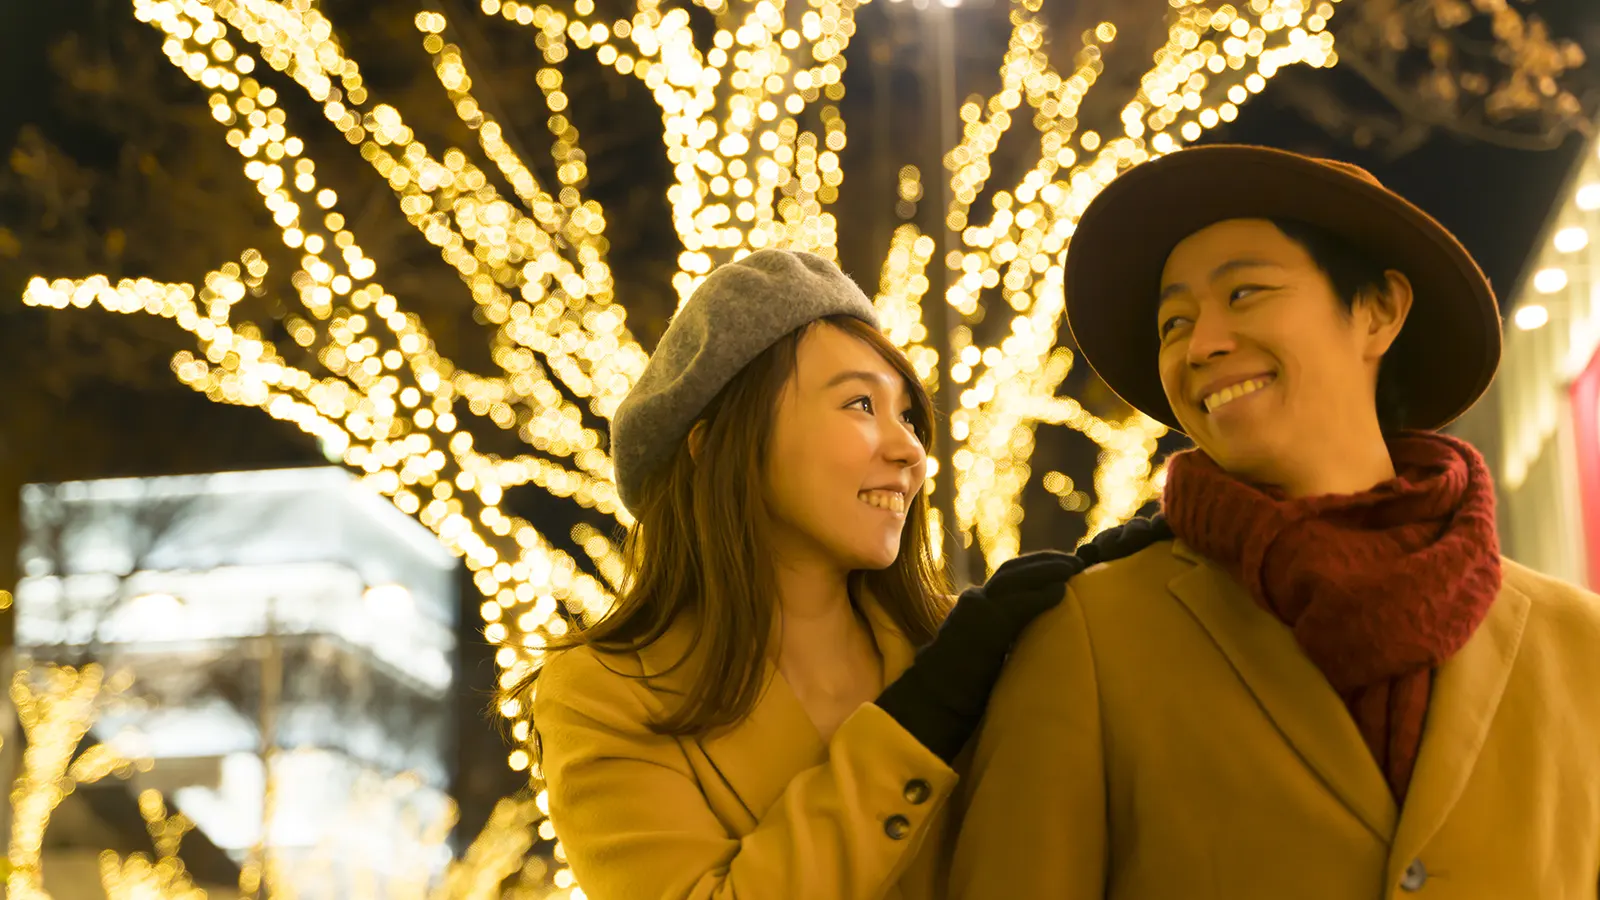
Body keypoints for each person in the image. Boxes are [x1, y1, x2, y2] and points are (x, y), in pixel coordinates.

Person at [949, 145, 1600, 898]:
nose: (1203, 343)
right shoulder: (1088, 640)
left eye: (1247, 292)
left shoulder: (1578, 648)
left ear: (1379, 311)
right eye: (1173, 322)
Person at [518, 248, 1167, 900]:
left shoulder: (965, 647)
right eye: (860, 404)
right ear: (715, 443)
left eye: (909, 415)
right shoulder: (604, 695)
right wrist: (919, 719)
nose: (909, 448)